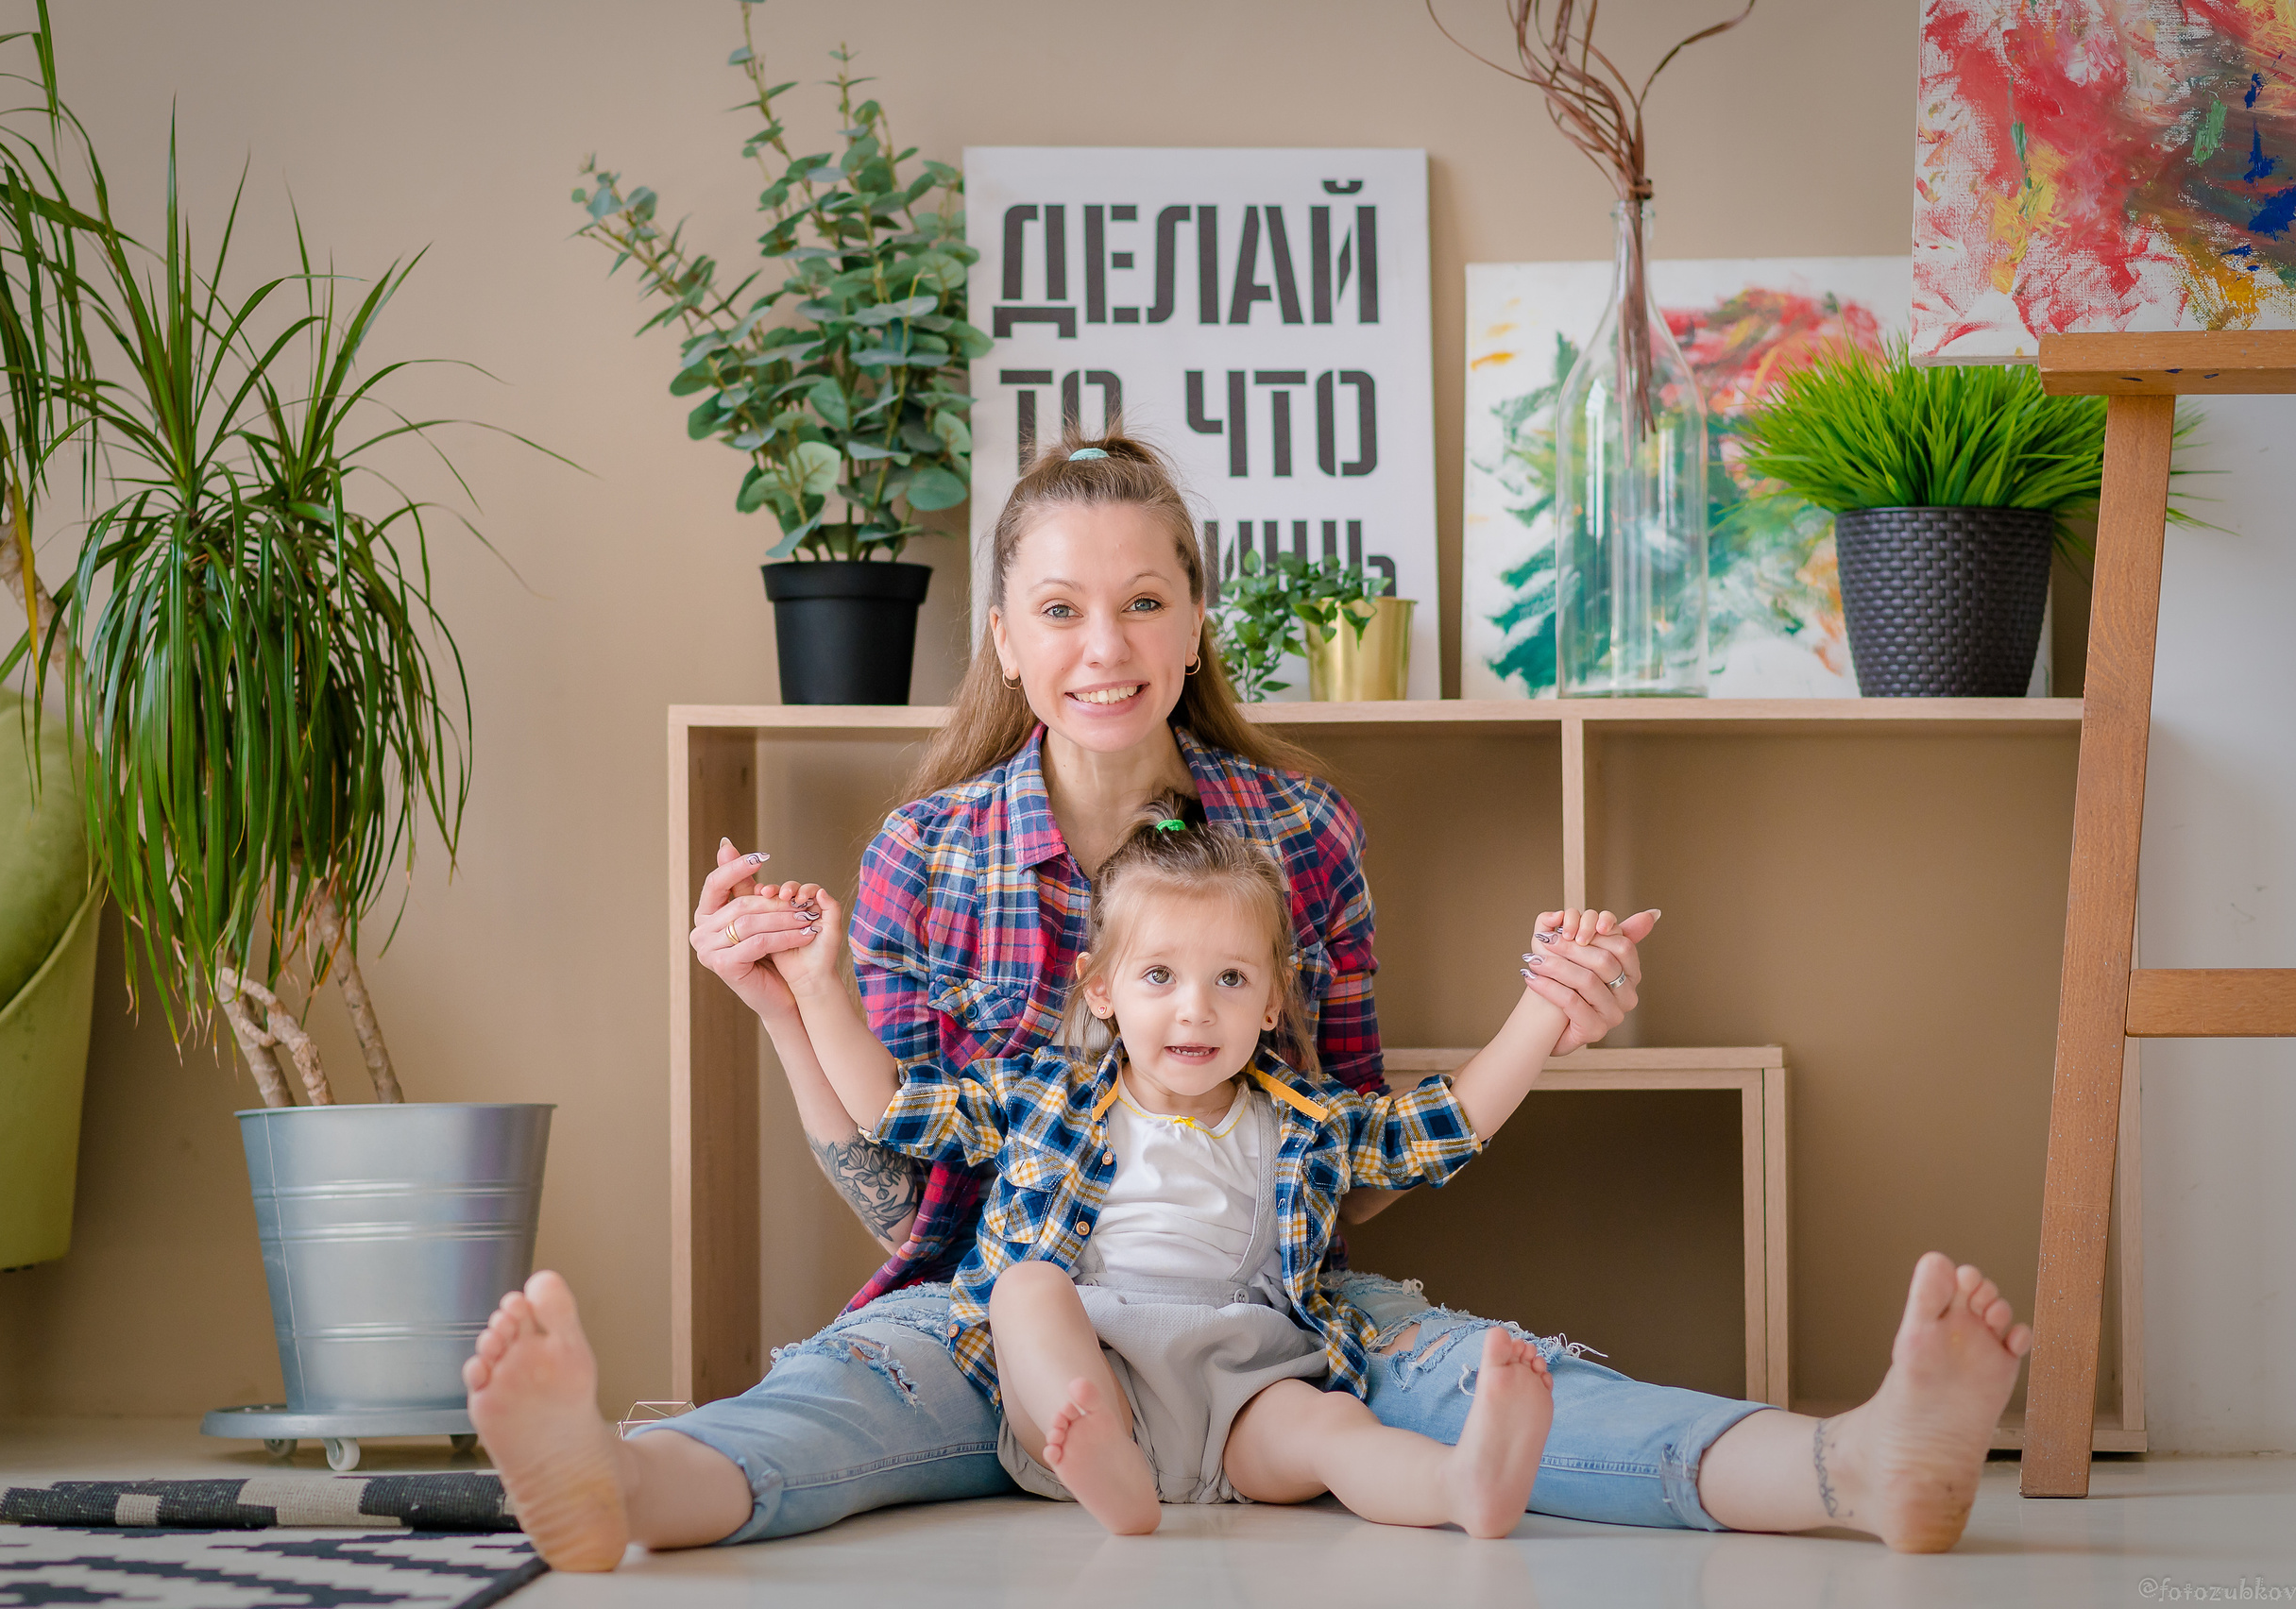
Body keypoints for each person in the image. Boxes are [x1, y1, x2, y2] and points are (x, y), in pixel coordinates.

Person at [465, 432, 2032, 1570]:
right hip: (993, 1314)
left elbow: (1353, 1141)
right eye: (1062, 609)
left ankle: (1851, 1456)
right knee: (811, 1406)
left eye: (1144, 601)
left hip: (1267, 1315)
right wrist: (785, 1002)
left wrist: (1542, 1015)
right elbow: (900, 1186)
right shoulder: (926, 849)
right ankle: (610, 1477)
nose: (1105, 644)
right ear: (1006, 640)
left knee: (1509, 1376)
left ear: (1195, 619)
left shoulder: (1301, 833)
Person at [774, 793, 1595, 1537]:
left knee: (1332, 1433)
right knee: (1026, 1290)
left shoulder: (1305, 1122)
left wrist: (1543, 1009)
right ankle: (1107, 1462)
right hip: (1096, 1373)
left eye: (1231, 978)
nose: (1195, 1008)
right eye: (1159, 975)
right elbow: (889, 1103)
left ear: (1273, 1000)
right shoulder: (1042, 1100)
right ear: (1101, 989)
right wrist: (816, 988)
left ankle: (1460, 1487)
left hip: (1246, 1382)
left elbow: (1437, 1127)